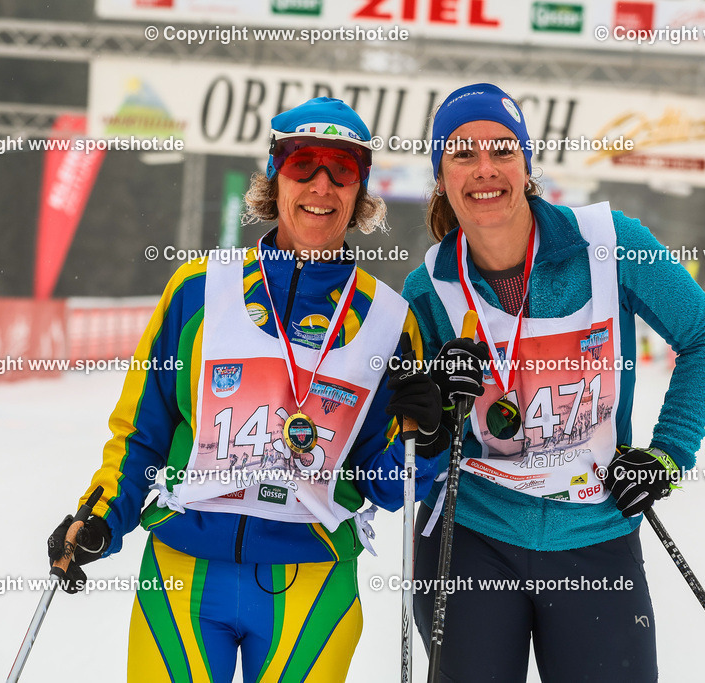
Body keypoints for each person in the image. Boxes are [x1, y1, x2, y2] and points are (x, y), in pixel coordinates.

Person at [46, 97, 448, 683]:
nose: (321, 185)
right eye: (302, 163)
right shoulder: (198, 289)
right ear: (274, 175)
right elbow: (142, 431)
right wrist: (102, 515)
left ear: (360, 192)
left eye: (343, 170)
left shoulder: (388, 320)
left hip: (311, 581)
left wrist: (431, 439)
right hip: (183, 571)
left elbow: (385, 484)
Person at [403, 83, 705, 682]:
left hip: (596, 531)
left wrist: (668, 454)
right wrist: (436, 408)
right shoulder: (428, 288)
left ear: (527, 164)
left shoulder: (610, 244)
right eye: (463, 153)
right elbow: (417, 433)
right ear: (440, 175)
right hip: (471, 536)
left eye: (503, 150)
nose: (485, 170)